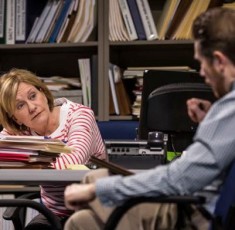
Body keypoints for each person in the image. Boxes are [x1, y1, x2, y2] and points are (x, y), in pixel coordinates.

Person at [63, 7, 235, 230]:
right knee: (81, 222)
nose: (201, 72)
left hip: (192, 214)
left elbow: (179, 179)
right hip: (195, 205)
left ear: (220, 61)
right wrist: (210, 121)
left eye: (202, 63)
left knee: (91, 186)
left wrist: (100, 190)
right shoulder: (225, 110)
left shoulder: (229, 109)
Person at [0, 68, 107, 229]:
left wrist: (25, 164)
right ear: (15, 117)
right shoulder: (20, 130)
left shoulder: (79, 115)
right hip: (54, 214)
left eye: (33, 96)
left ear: (43, 92)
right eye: (20, 105)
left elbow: (74, 159)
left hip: (94, 209)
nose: (31, 107)